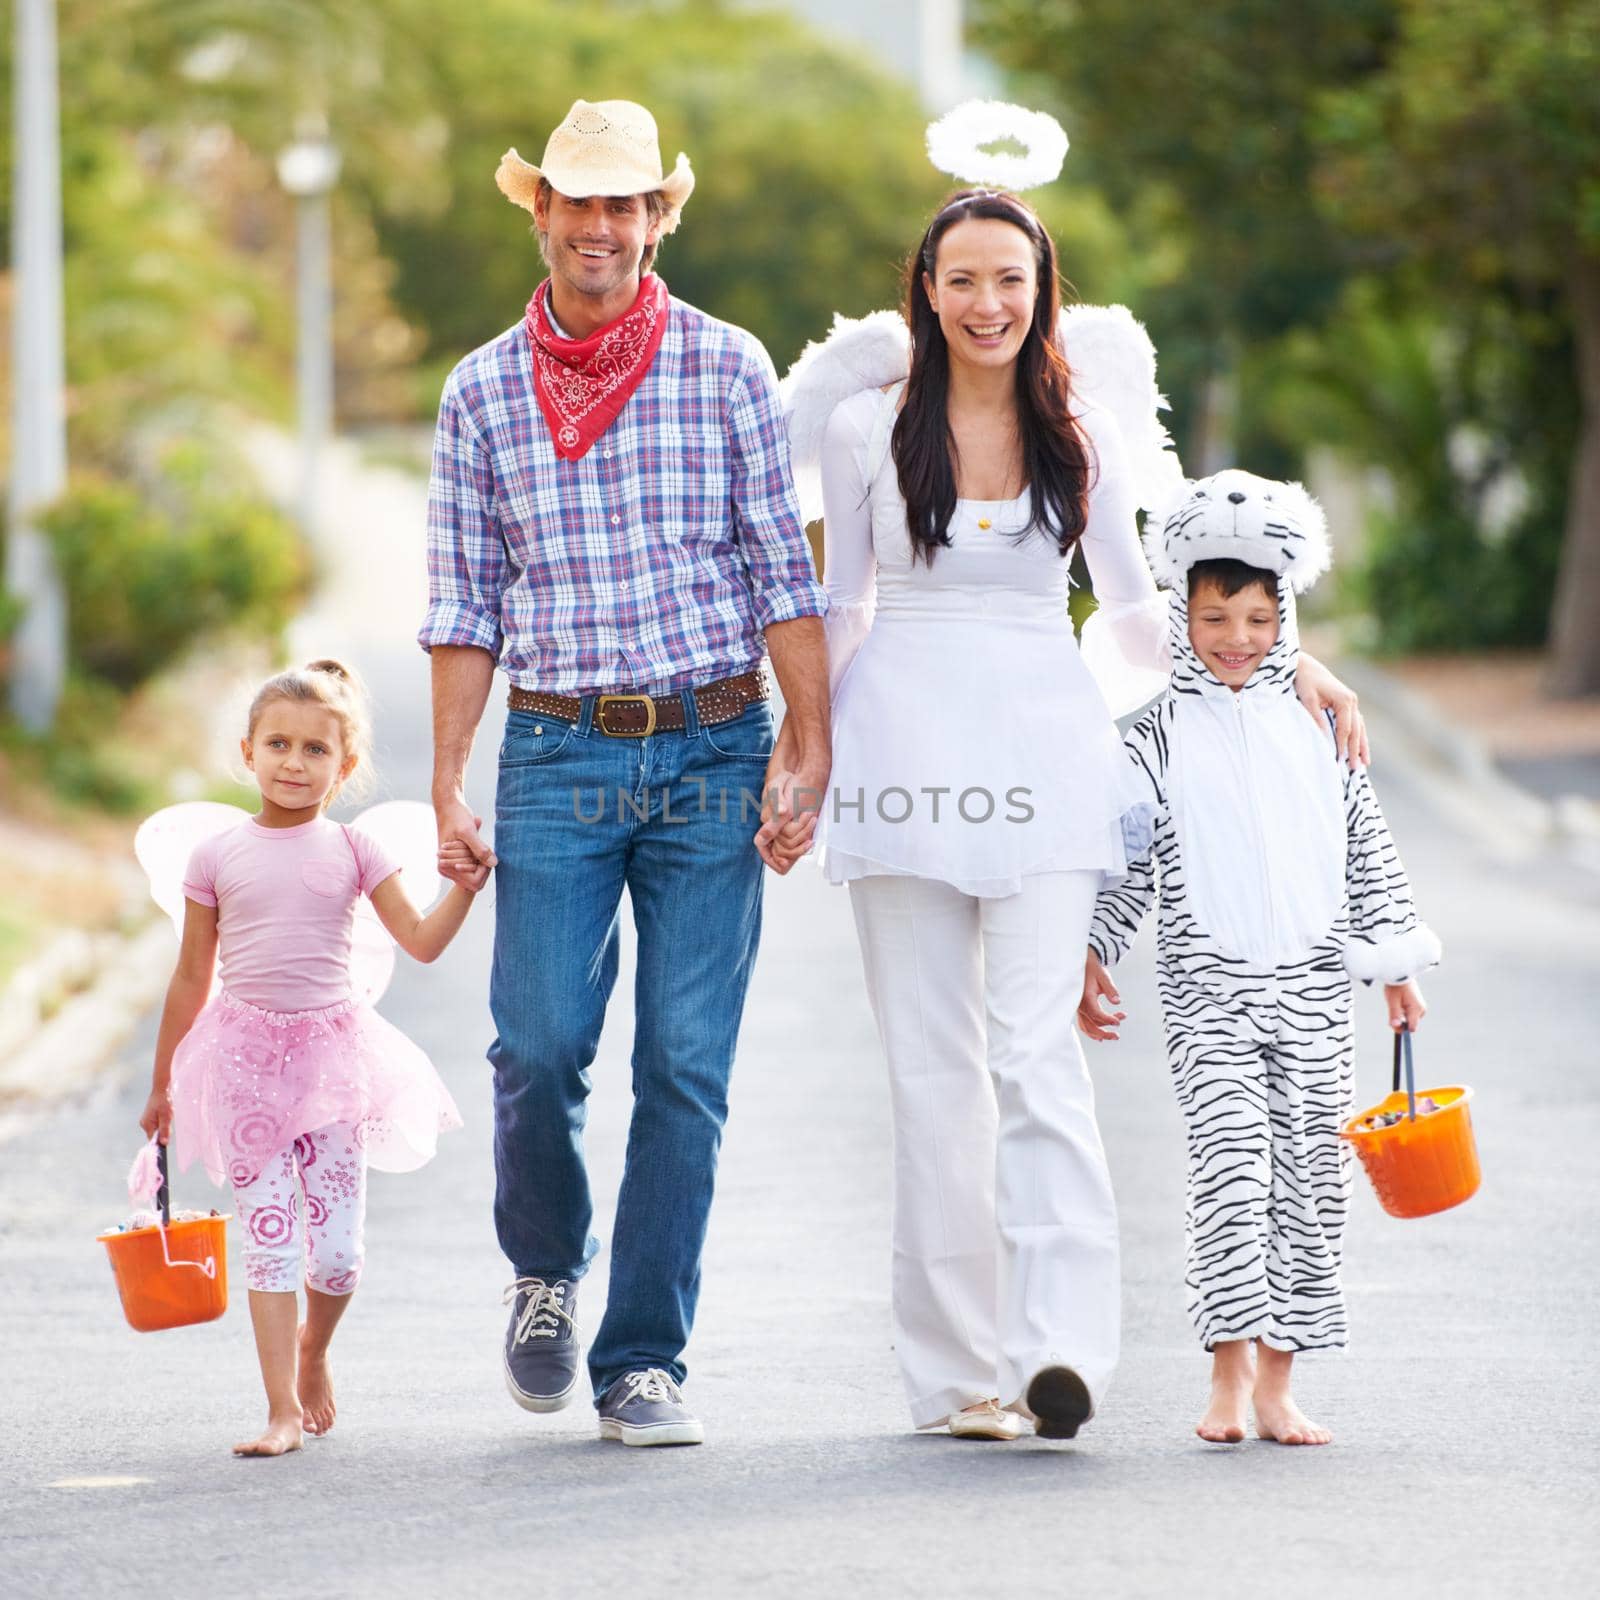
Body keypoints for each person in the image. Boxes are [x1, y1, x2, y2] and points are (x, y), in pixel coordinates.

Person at [765, 188, 1367, 1442]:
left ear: (1043, 295)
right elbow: (843, 602)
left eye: (1011, 282)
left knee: (1036, 1056)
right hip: (901, 755)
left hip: (1044, 749)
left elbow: (1140, 611)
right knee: (934, 1073)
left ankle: (1059, 1352)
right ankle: (954, 1377)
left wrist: (1283, 657)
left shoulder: (1076, 429)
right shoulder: (870, 432)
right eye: (962, 280)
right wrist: (806, 753)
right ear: (923, 293)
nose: (987, 305)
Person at [420, 99, 829, 1448]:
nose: (601, 229)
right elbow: (465, 598)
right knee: (535, 1044)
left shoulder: (725, 367)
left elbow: (782, 566)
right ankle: (546, 1268)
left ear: (659, 217)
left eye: (626, 205)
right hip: (554, 747)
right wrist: (446, 778)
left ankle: (643, 1355)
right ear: (538, 214)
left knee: (686, 1065)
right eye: (578, 204)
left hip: (716, 743)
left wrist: (805, 745)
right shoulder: (479, 389)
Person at [1078, 470, 1439, 1447]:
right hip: (1210, 998)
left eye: (1253, 617)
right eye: (1211, 617)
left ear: (1284, 617)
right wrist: (1094, 949)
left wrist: (1393, 961)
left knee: (1308, 1193)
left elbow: (1366, 843)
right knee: (1233, 1178)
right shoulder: (1153, 735)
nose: (1234, 637)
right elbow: (1128, 860)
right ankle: (1226, 1381)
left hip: (1316, 993)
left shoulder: (1320, 725)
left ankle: (1279, 1386)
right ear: (1181, 617)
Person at [138, 660, 475, 1457]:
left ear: (345, 766)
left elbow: (421, 944)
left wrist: (464, 886)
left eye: (315, 750)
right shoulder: (215, 857)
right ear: (248, 752)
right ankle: (280, 1410)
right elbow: (192, 973)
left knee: (337, 1255)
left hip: (333, 1064)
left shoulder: (356, 850)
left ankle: (314, 1349)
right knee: (270, 1235)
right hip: (243, 1060)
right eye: (279, 745)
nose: (295, 763)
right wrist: (163, 1082)